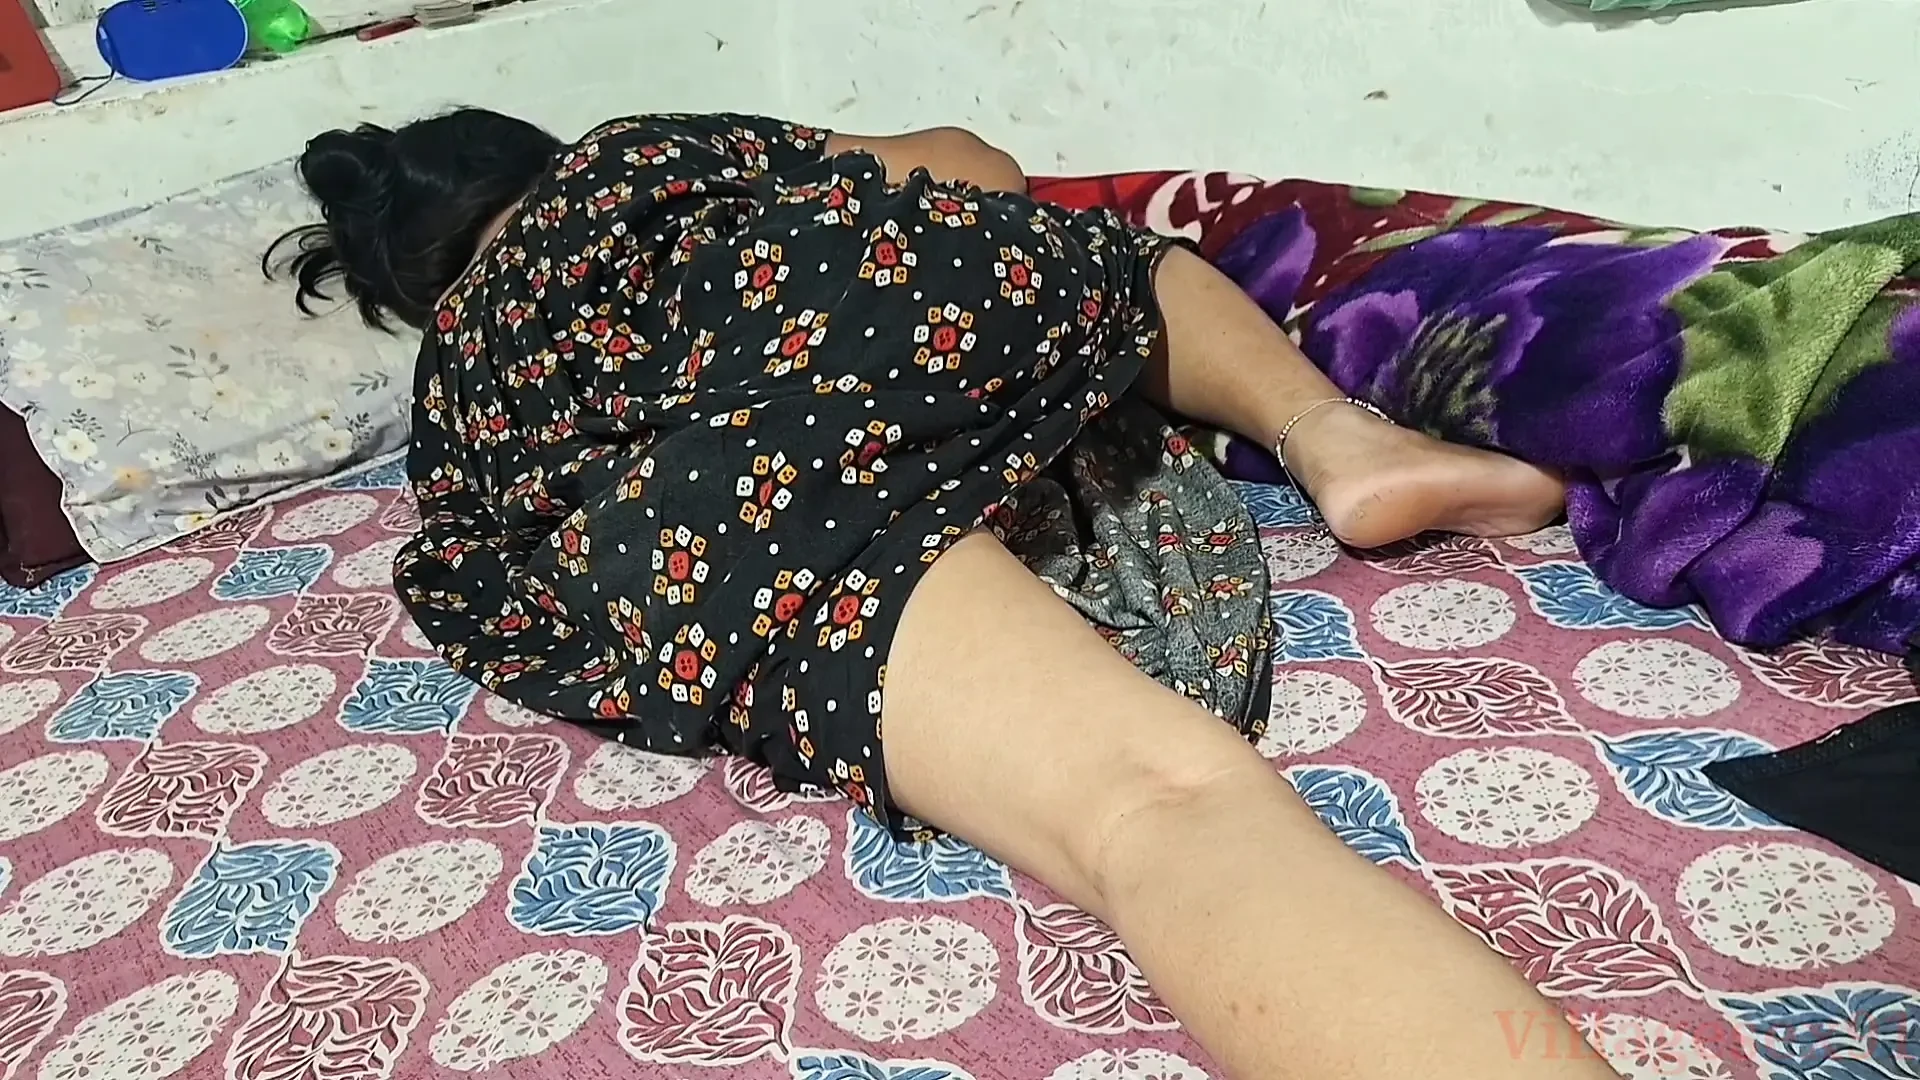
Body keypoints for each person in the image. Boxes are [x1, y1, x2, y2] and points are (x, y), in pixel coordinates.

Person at [270, 108, 1609, 1080]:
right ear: (534, 159)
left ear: (414, 290)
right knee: (1101, 264)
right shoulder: (642, 157)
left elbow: (490, 551)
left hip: (686, 493)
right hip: (852, 321)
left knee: (1157, 803)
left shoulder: (461, 370)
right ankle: (1337, 439)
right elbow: (976, 170)